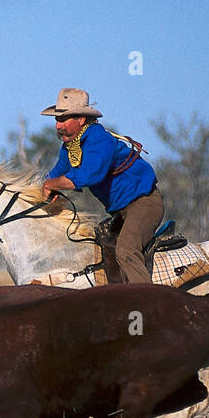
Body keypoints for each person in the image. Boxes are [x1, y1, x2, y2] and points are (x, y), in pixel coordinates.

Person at [40, 88, 163, 284]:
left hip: (144, 204)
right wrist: (40, 192)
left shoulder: (99, 139)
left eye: (63, 120)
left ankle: (148, 305)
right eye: (56, 120)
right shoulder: (70, 148)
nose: (57, 126)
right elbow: (55, 175)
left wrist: (51, 184)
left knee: (126, 251)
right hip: (121, 212)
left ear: (81, 120)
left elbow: (89, 175)